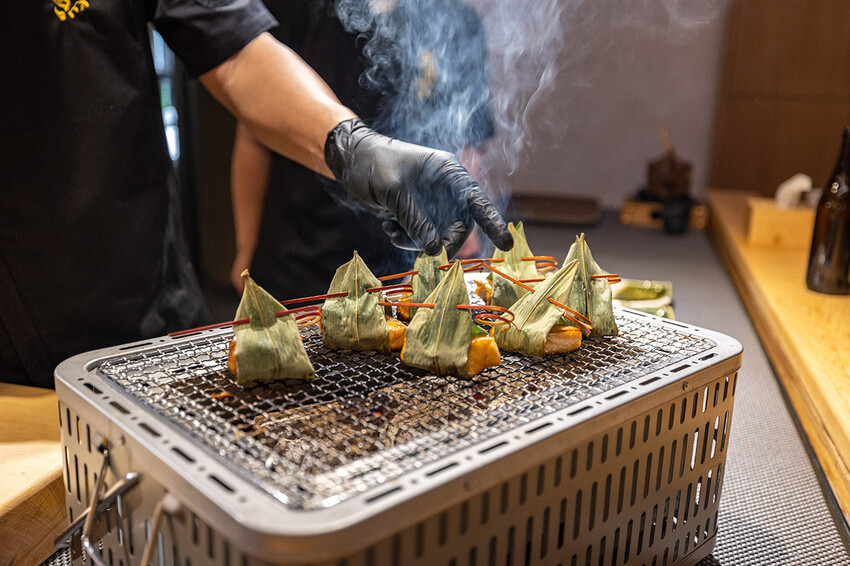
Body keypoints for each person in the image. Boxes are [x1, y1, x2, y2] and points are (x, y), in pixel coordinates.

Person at [0, 0, 512, 388]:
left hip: (144, 301)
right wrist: (248, 252)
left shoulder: (453, 19)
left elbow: (237, 51)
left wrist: (352, 146)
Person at [230, 0, 497, 299]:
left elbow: (470, 139)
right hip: (298, 260)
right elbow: (254, 133)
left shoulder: (456, 20)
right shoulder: (294, 10)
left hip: (411, 261)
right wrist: (246, 249)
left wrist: (466, 222)